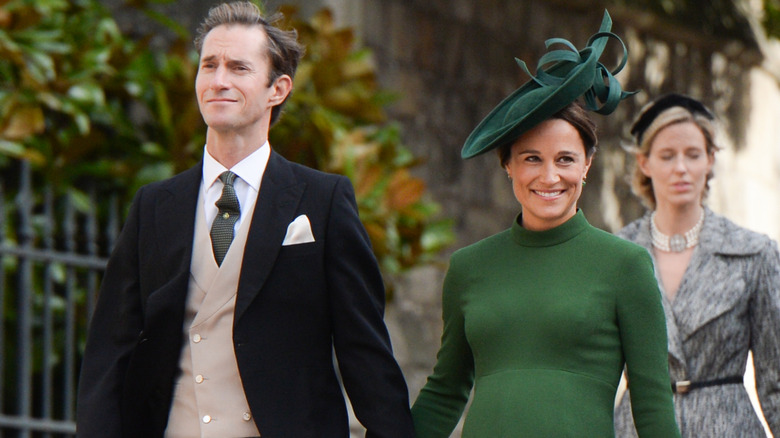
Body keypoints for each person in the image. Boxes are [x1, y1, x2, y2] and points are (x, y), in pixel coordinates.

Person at [75, 2, 415, 437]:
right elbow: (110, 351)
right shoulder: (154, 205)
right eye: (209, 65)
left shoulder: (323, 200)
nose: (219, 81)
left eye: (238, 68)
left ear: (278, 89)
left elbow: (364, 350)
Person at [410, 11, 681, 438]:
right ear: (508, 165)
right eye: (532, 158)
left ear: (587, 164)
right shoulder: (468, 267)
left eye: (565, 159)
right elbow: (445, 392)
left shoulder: (625, 265)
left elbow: (651, 401)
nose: (550, 176)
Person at [614, 93, 780, 437]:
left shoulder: (753, 253)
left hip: (728, 428)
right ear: (644, 163)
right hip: (638, 429)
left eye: (693, 154)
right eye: (667, 156)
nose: (681, 168)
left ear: (710, 159)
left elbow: (776, 380)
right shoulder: (616, 254)